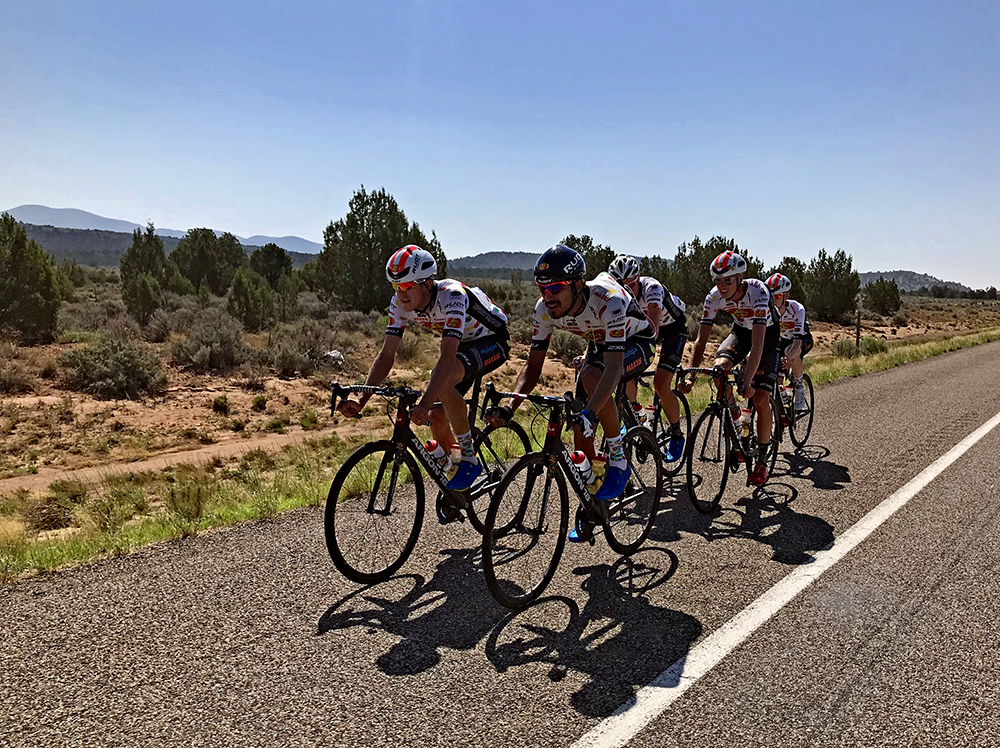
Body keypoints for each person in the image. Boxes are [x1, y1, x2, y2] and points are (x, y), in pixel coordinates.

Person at [488, 244, 655, 541]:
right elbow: (533, 366)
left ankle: (617, 456)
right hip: (599, 343)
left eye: (555, 288)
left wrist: (593, 413)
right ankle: (594, 499)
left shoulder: (609, 301)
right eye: (541, 288)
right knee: (579, 423)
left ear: (578, 285)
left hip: (636, 341)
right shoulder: (545, 309)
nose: (547, 296)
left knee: (593, 379)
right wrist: (510, 407)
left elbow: (614, 369)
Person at [337, 245, 510, 505]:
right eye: (396, 286)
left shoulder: (452, 295)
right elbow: (386, 356)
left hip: (492, 340)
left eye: (407, 286)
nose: (400, 293)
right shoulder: (399, 304)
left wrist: (425, 401)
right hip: (464, 346)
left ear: (427, 283)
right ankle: (457, 480)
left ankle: (470, 458)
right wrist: (362, 398)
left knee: (441, 379)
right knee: (438, 416)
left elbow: (447, 357)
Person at [680, 250, 780, 485]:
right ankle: (735, 418)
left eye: (727, 280)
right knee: (719, 369)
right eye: (718, 281)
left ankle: (762, 461)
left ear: (739, 278)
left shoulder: (758, 292)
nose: (722, 286)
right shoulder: (713, 297)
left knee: (761, 398)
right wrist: (692, 377)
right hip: (741, 332)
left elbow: (757, 346)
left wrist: (747, 381)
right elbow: (701, 341)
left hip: (767, 337)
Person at [608, 254, 688, 463]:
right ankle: (637, 414)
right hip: (640, 329)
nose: (627, 291)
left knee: (661, 384)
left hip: (671, 330)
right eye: (621, 287)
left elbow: (652, 331)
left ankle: (676, 433)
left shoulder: (652, 288)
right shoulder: (613, 296)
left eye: (631, 285)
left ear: (639, 279)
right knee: (622, 371)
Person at [765, 273, 813, 411]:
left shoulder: (797, 309)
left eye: (777, 297)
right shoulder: (767, 311)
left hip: (801, 339)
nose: (773, 301)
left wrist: (789, 358)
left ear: (786, 296)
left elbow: (797, 343)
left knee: (791, 354)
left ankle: (799, 386)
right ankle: (780, 411)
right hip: (782, 340)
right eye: (770, 297)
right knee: (776, 374)